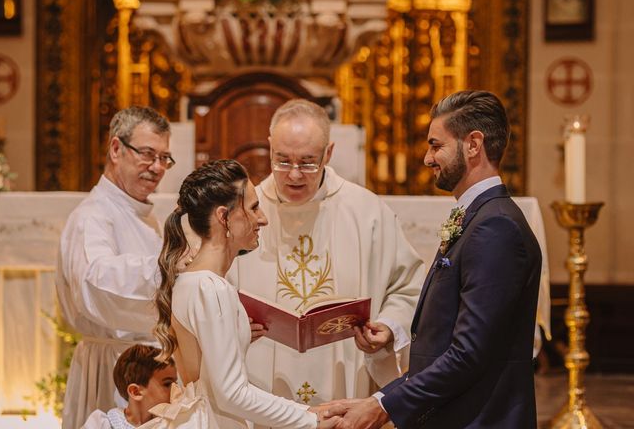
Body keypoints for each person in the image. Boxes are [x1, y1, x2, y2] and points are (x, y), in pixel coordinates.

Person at [334, 90, 543, 428]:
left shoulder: (496, 227)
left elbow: (469, 354)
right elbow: (444, 341)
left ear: (473, 144)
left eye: (436, 145)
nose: (427, 158)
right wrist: (379, 399)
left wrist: (382, 405)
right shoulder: (478, 217)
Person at [228, 99, 424, 406]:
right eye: (282, 160)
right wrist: (234, 325)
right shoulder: (244, 213)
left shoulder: (366, 211)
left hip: (348, 378)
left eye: (307, 162)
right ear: (269, 147)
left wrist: (387, 327)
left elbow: (408, 286)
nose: (294, 175)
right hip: (260, 385)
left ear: (328, 153)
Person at [152, 160, 341, 428]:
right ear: (223, 217)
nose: (262, 218)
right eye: (253, 208)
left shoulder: (191, 280)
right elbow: (231, 393)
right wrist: (309, 418)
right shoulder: (210, 288)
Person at [56, 106, 175, 429]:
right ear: (116, 148)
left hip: (145, 370)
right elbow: (96, 284)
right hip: (113, 369)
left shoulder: (143, 217)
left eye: (164, 158)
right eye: (148, 154)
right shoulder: (92, 216)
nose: (157, 167)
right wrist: (174, 269)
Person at [82, 344, 178, 428]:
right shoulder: (102, 424)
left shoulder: (172, 424)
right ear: (135, 392)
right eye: (167, 384)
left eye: (176, 383)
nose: (176, 389)